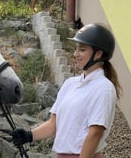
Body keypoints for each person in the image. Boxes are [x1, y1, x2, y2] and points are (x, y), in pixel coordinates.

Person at [11, 23, 122, 158]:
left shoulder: (103, 88)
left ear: (98, 54)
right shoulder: (70, 84)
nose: (75, 54)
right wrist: (29, 135)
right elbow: (53, 125)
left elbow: (95, 134)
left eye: (82, 50)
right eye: (76, 49)